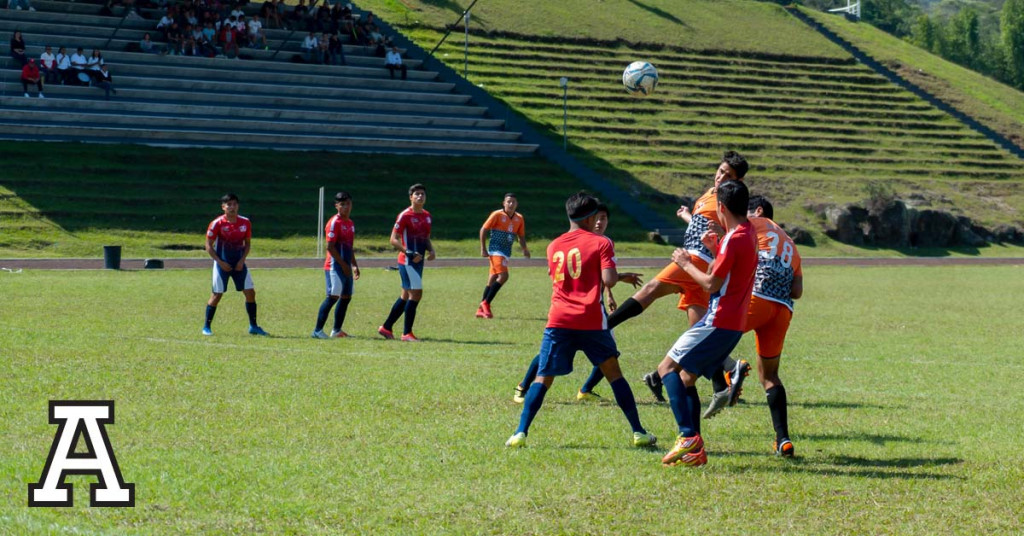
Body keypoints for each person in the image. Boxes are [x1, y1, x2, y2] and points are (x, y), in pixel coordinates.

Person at [505, 192, 656, 449]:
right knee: (614, 374)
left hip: (559, 320)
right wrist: (617, 275)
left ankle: (520, 432)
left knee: (543, 378)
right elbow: (608, 280)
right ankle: (638, 432)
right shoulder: (601, 243)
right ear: (590, 217)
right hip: (590, 321)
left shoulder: (553, 245)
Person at [656, 180, 758, 467]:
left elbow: (712, 284)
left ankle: (688, 436)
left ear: (721, 207)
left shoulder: (733, 238)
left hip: (717, 320)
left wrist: (686, 262)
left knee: (666, 369)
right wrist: (715, 250)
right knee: (686, 378)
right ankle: (695, 451)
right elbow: (728, 274)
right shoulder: (747, 233)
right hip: (733, 323)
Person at [512, 203, 642, 403]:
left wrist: (609, 295)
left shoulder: (603, 241)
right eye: (596, 218)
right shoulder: (588, 241)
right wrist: (618, 279)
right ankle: (524, 386)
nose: (599, 222)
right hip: (578, 309)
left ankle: (585, 389)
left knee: (608, 353)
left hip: (592, 308)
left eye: (604, 218)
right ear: (587, 219)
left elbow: (602, 276)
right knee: (555, 354)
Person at [202, 193, 269, 337]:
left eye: (234, 204)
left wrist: (242, 261)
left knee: (250, 292)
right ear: (223, 207)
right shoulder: (217, 223)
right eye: (229, 204)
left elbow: (248, 244)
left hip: (239, 264)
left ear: (238, 206)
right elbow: (208, 245)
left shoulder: (245, 222)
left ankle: (254, 326)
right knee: (217, 295)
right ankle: (206, 327)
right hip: (222, 264)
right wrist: (220, 262)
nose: (232, 207)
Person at [378, 184, 434, 342]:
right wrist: (408, 252)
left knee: (405, 295)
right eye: (416, 194)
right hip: (407, 261)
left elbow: (426, 238)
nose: (420, 197)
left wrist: (431, 250)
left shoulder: (427, 216)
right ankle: (407, 333)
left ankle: (386, 327)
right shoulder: (404, 215)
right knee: (416, 294)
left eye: (422, 194)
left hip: (418, 262)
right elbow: (393, 239)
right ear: (411, 197)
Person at [312, 192, 359, 339]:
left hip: (345, 266)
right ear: (336, 206)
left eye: (348, 204)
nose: (345, 207)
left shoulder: (350, 223)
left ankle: (336, 330)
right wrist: (344, 265)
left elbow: (349, 247)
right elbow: (330, 247)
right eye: (342, 204)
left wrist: (354, 265)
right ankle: (317, 331)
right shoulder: (334, 223)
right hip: (334, 266)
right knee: (333, 296)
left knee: (346, 297)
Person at [476, 193, 529, 319]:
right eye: (508, 201)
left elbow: (520, 236)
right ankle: (486, 303)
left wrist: (525, 249)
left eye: (513, 202)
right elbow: (483, 230)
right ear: (503, 203)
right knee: (504, 276)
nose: (511, 204)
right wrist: (483, 249)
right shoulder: (497, 214)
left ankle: (480, 310)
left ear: (517, 204)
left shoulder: (519, 218)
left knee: (493, 278)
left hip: (506, 252)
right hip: (495, 250)